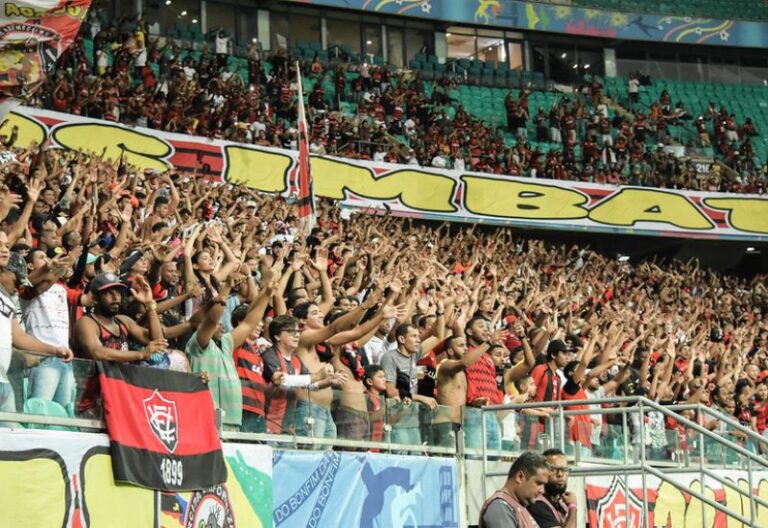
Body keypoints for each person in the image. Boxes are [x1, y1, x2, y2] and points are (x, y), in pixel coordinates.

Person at [478, 451, 550, 528]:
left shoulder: (519, 506)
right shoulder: (499, 508)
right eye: (538, 483)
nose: (542, 490)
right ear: (520, 477)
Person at [527, 448, 578, 528]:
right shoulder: (537, 504)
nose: (560, 474)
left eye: (564, 470)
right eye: (553, 469)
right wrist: (573, 507)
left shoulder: (561, 504)